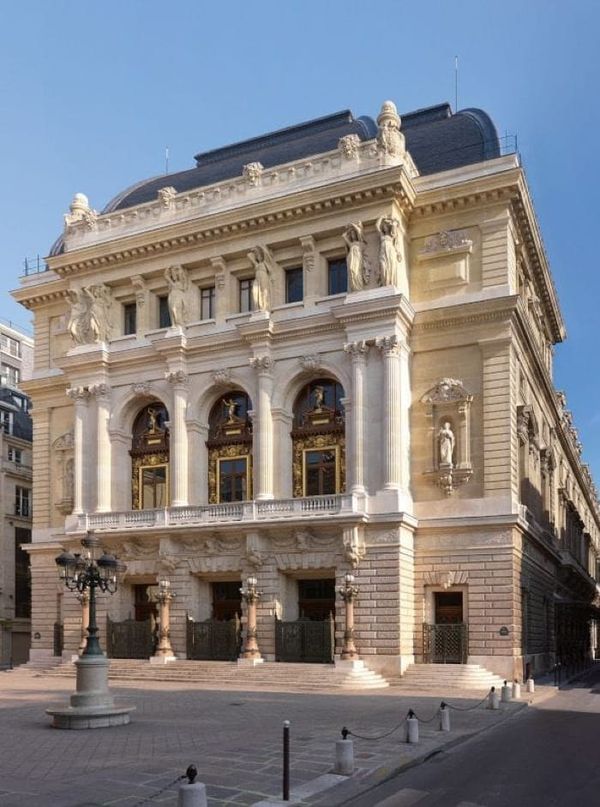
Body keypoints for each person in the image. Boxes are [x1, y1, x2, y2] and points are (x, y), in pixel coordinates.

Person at [342, 222, 367, 291]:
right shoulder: (351, 244)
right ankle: (355, 287)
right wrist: (349, 230)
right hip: (351, 258)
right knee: (351, 270)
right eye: (351, 234)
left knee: (356, 271)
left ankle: (358, 287)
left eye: (354, 233)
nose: (353, 235)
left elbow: (359, 232)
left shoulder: (360, 243)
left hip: (357, 259)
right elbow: (344, 236)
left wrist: (353, 225)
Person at [248, 246, 272, 312]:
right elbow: (249, 255)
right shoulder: (256, 264)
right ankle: (258, 307)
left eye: (259, 255)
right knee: (255, 292)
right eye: (256, 256)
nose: (258, 257)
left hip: (263, 277)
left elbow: (266, 254)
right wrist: (254, 250)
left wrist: (260, 248)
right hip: (257, 278)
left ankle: (265, 307)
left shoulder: (265, 263)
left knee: (264, 291)